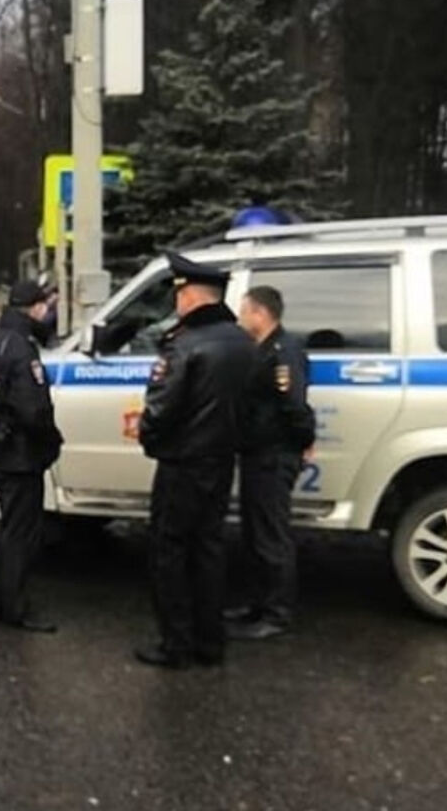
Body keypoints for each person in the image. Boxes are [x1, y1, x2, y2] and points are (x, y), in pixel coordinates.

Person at [135, 252, 256, 669]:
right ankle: (211, 642)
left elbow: (161, 408)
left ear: (190, 297)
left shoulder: (184, 345)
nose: (177, 302)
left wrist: (149, 439)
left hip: (182, 464)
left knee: (168, 553)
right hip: (221, 462)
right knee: (208, 550)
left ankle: (176, 645)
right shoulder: (243, 341)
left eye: (180, 294)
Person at [0, 279, 63, 634]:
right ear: (35, 308)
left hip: (0, 449)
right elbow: (34, 410)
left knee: (8, 526)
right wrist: (52, 442)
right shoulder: (23, 350)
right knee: (22, 533)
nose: (47, 313)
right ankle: (14, 607)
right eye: (45, 306)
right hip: (23, 454)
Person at [226, 285, 316, 639]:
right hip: (256, 454)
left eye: (244, 311)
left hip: (274, 455)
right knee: (254, 533)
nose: (240, 318)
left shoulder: (283, 351)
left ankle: (276, 614)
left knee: (271, 536)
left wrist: (304, 440)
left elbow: (294, 405)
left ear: (260, 314)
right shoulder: (261, 348)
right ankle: (256, 604)